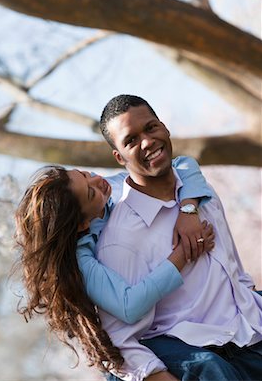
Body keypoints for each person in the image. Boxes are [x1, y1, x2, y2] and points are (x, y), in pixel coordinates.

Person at [95, 94, 262, 381]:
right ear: (119, 157)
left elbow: (235, 273)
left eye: (150, 128)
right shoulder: (119, 237)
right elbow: (119, 340)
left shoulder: (200, 194)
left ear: (164, 127)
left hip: (251, 333)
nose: (146, 142)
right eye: (131, 140)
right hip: (203, 359)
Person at [15, 157, 214, 375]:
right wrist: (184, 251)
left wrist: (189, 210)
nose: (98, 180)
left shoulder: (116, 187)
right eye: (91, 193)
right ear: (82, 224)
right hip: (134, 360)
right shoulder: (82, 261)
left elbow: (183, 164)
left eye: (86, 174)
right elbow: (130, 305)